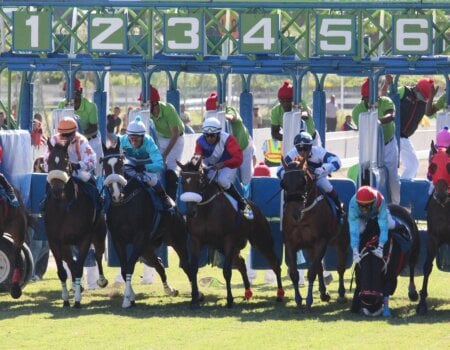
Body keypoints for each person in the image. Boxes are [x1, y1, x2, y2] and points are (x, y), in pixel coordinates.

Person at [44, 116, 101, 289]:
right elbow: (46, 161)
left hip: (78, 172)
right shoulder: (53, 140)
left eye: (68, 135)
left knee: (88, 182)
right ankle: (44, 205)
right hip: (60, 175)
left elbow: (92, 161)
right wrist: (56, 169)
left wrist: (75, 165)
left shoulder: (81, 141)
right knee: (48, 183)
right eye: (63, 134)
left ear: (74, 132)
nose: (65, 138)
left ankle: (98, 206)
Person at [352, 77, 400, 204]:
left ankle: (396, 205)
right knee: (364, 174)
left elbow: (391, 116)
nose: (372, 101)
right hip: (369, 146)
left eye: (375, 98)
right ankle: (363, 203)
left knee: (393, 178)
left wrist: (378, 121)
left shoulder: (386, 101)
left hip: (388, 145)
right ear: (364, 97)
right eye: (369, 98)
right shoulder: (357, 111)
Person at [194, 117, 253, 220]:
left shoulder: (228, 139)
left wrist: (223, 164)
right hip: (211, 167)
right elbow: (197, 156)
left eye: (212, 135)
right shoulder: (200, 141)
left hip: (228, 165)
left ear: (218, 134)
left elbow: (238, 159)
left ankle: (241, 202)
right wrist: (196, 163)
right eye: (207, 135)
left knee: (222, 180)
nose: (209, 138)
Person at [277, 131, 343, 218]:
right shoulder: (292, 153)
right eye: (299, 149)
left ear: (311, 146)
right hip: (298, 181)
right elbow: (279, 170)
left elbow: (336, 161)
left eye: (305, 148)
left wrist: (322, 169)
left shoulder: (318, 151)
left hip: (318, 178)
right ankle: (285, 211)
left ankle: (339, 207)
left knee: (327, 187)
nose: (302, 152)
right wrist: (289, 176)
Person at [119, 116, 173, 210]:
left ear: (143, 136)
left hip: (147, 166)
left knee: (151, 179)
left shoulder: (149, 142)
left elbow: (159, 164)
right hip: (131, 164)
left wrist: (145, 167)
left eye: (137, 139)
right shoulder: (122, 140)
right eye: (131, 138)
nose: (134, 141)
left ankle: (164, 196)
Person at [205, 92, 254, 186]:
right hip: (230, 151)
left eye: (213, 113)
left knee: (246, 178)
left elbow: (233, 117)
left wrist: (222, 116)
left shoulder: (230, 110)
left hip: (244, 147)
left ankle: (247, 197)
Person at [58, 78, 103, 176]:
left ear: (80, 91)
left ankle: (98, 187)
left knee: (96, 170)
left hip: (91, 140)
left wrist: (78, 134)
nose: (69, 95)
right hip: (71, 141)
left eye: (73, 91)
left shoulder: (90, 106)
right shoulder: (62, 105)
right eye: (67, 92)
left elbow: (93, 127)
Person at [396, 77, 439, 179]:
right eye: (423, 96)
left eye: (426, 98)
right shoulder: (403, 91)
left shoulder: (424, 103)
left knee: (413, 164)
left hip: (404, 137)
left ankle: (403, 187)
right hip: (391, 135)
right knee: (391, 166)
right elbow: (387, 100)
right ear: (417, 88)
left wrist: (431, 98)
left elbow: (430, 114)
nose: (424, 99)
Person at [148, 86, 184, 202]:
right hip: (161, 138)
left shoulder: (168, 109)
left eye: (146, 102)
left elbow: (175, 135)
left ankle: (171, 203)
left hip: (176, 139)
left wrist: (164, 155)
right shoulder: (147, 113)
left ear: (154, 103)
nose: (142, 105)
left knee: (171, 170)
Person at [270, 80, 320, 146]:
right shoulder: (275, 111)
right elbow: (274, 133)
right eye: (282, 101)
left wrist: (300, 111)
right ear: (279, 100)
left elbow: (305, 114)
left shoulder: (299, 103)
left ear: (293, 99)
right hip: (293, 142)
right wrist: (288, 139)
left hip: (311, 140)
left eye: (288, 100)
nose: (286, 104)